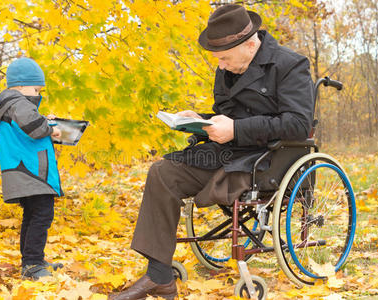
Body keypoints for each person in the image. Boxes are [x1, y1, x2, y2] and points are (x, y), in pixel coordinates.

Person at [110, 4, 314, 300]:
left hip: (269, 160)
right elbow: (225, 115)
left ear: (250, 44)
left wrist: (236, 130)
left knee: (221, 177)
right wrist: (199, 120)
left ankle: (160, 275)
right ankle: (159, 275)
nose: (220, 65)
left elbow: (297, 124)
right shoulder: (228, 69)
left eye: (224, 58)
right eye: (217, 59)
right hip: (227, 152)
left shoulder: (290, 65)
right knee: (162, 172)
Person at [0, 57, 65, 280]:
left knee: (32, 215)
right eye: (36, 88)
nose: (38, 93)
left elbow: (28, 126)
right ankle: (32, 264)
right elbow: (34, 127)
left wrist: (46, 121)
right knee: (41, 216)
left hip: (23, 171)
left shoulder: (12, 105)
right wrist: (51, 129)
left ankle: (32, 261)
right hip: (31, 172)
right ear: (19, 86)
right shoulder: (19, 103)